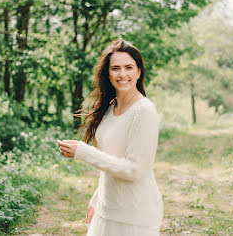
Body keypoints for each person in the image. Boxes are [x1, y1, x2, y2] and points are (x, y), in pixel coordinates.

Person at [57, 38, 163, 235]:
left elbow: (134, 170)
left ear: (139, 72)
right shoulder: (109, 109)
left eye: (129, 67)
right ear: (108, 73)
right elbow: (110, 162)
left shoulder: (144, 111)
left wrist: (84, 152)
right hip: (108, 212)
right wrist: (97, 200)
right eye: (116, 68)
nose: (122, 74)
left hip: (135, 216)